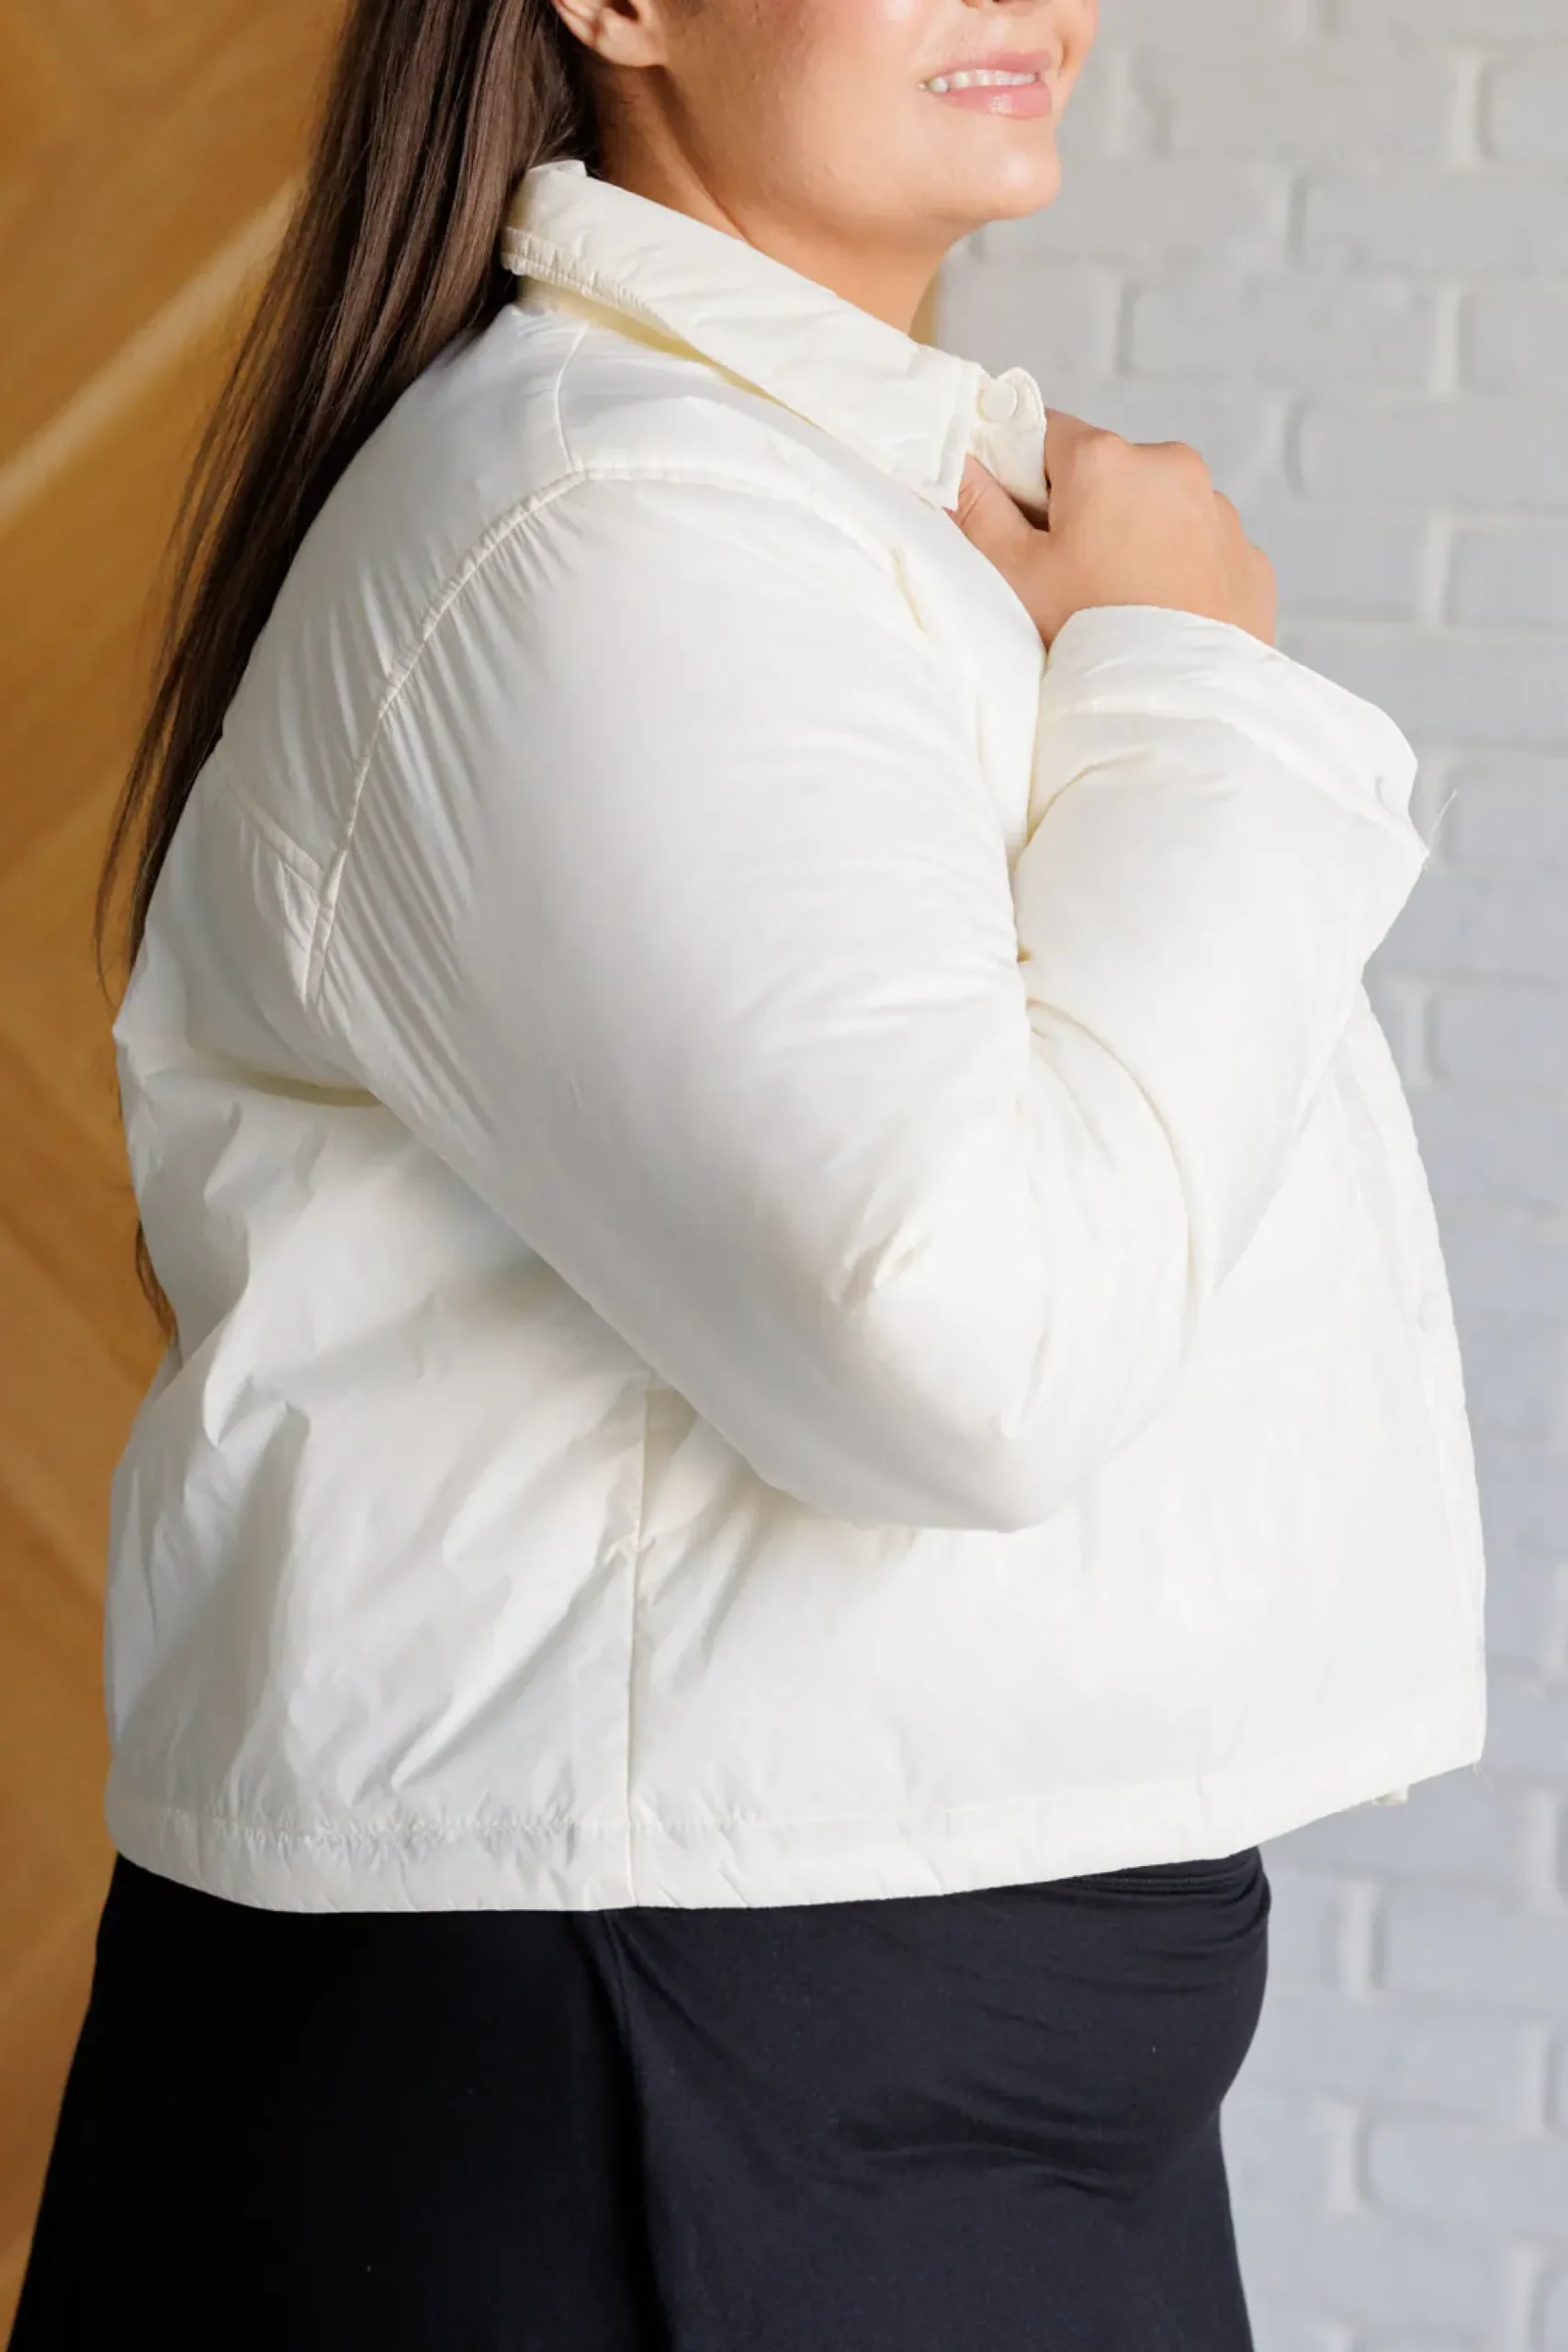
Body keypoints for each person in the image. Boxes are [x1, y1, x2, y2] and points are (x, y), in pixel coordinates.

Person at [11, 0, 1487, 2345]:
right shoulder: (601, 523)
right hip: (668, 2045)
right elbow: (961, 1340)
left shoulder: (796, 505)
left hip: (838, 2027)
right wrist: (1193, 691)